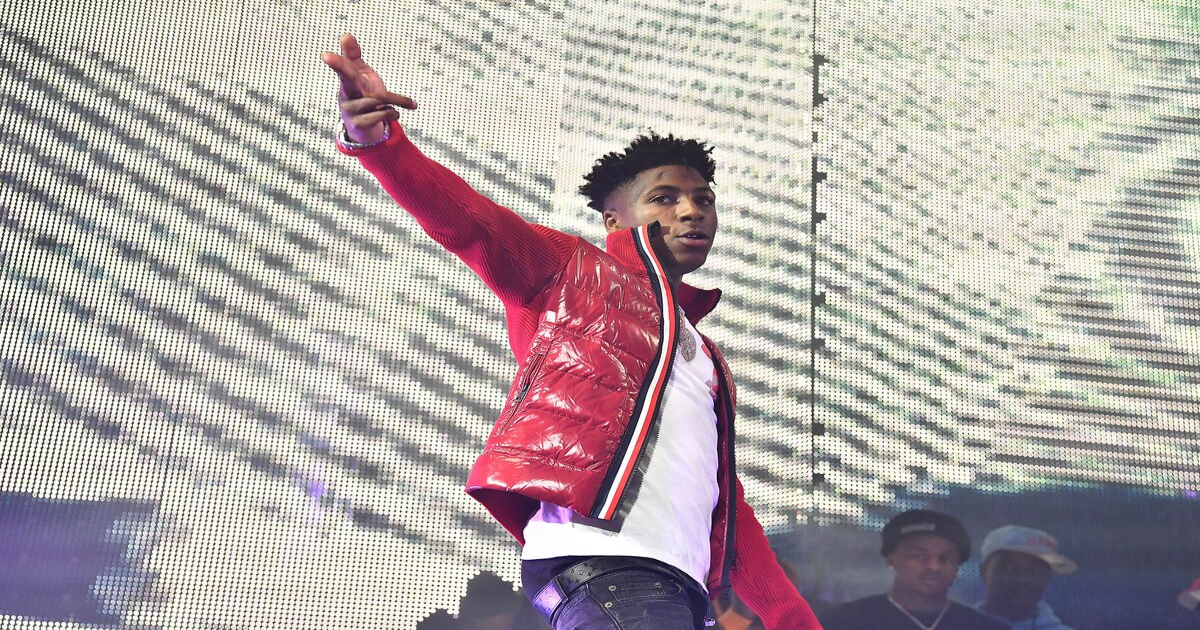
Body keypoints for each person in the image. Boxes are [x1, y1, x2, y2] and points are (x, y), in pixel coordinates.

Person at [321, 34, 821, 630]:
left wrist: (797, 621)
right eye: (664, 199)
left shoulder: (703, 355)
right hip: (607, 564)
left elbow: (727, 506)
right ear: (615, 219)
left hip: (674, 585)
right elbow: (473, 225)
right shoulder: (573, 272)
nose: (692, 211)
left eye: (703, 200)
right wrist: (381, 145)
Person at [820, 510, 1007, 630]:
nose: (934, 566)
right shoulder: (843, 621)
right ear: (891, 559)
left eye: (945, 558)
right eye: (919, 556)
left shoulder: (986, 627)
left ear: (958, 565)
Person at [975, 525, 1077, 630]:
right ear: (983, 572)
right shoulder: (964, 624)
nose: (1022, 579)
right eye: (1009, 568)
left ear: (1048, 579)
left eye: (1035, 571)